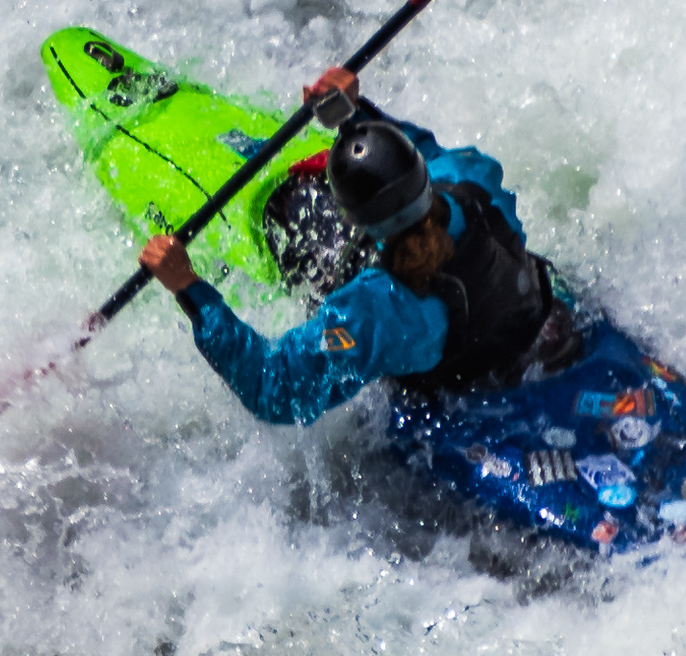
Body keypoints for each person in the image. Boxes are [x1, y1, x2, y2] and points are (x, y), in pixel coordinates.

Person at [135, 67, 571, 426]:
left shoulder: (380, 309)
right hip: (534, 324)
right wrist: (355, 114)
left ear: (355, 219)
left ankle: (288, 202)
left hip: (464, 388)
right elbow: (422, 150)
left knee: (299, 215)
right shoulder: (471, 180)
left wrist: (191, 289)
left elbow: (277, 390)